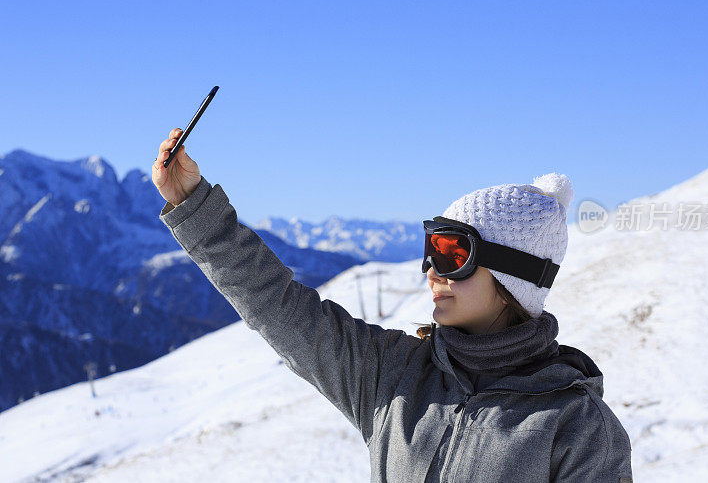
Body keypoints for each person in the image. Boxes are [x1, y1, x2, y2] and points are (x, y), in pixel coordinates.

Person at [152, 128, 634, 482]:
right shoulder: (394, 375)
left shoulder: (577, 425)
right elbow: (277, 306)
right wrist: (191, 203)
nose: (431, 270)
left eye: (452, 253)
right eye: (430, 250)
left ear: (513, 278)